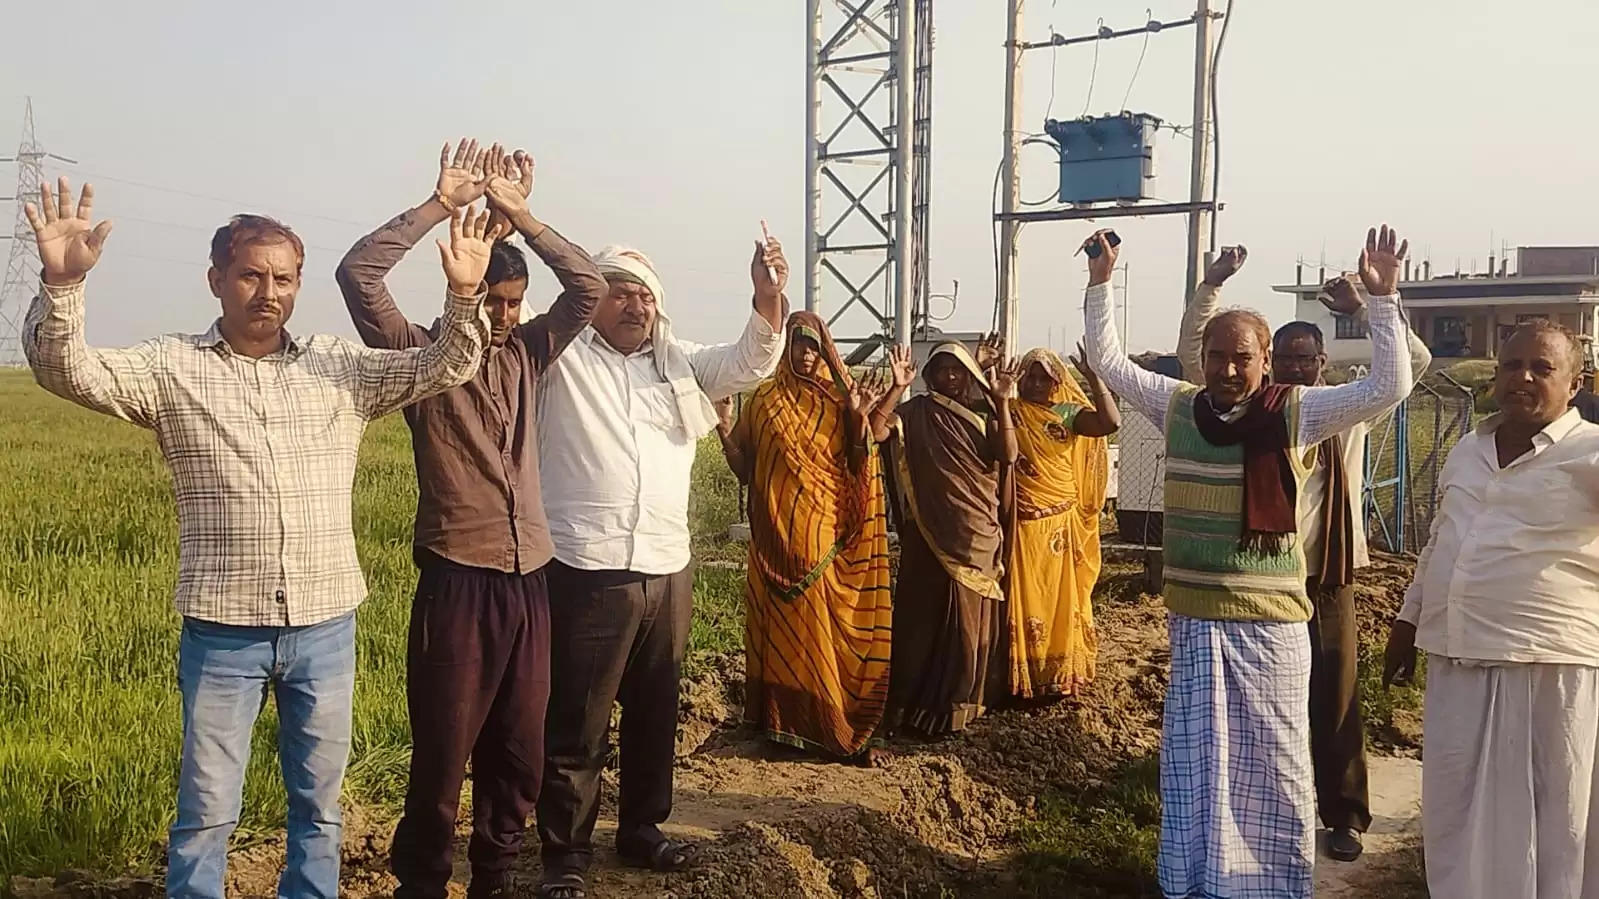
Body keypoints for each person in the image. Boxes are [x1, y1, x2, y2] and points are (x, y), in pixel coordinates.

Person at [21, 178, 494, 899]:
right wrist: (62, 284)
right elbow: (66, 368)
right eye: (250, 274)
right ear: (217, 280)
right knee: (207, 810)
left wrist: (463, 299)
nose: (266, 292)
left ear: (298, 284)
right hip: (223, 628)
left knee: (319, 807)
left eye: (282, 278)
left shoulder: (340, 367)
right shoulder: (170, 368)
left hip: (326, 622)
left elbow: (444, 365)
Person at [1081, 227, 1413, 898]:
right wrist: (1098, 283)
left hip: (1270, 629)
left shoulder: (1297, 410)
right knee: (1195, 765)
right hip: (1195, 624)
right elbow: (1108, 361)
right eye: (1216, 356)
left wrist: (1381, 301)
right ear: (1198, 358)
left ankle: (1269, 883)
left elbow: (1388, 385)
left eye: (1242, 357)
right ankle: (1195, 880)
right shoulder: (1174, 404)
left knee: (1272, 766)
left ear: (1265, 361)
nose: (1228, 369)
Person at [336, 140, 607, 899]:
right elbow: (357, 275)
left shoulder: (527, 353)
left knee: (519, 755)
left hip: (529, 584)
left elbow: (586, 288)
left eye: (513, 304)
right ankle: (421, 883)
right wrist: (439, 207)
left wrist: (523, 215)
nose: (504, 318)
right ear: (462, 290)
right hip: (458, 582)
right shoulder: (418, 357)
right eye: (492, 303)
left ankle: (494, 878)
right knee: (442, 757)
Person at [533, 236, 788, 899]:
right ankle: (564, 850)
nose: (635, 303)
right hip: (587, 566)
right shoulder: (560, 359)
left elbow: (749, 362)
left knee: (654, 712)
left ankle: (641, 828)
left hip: (667, 567)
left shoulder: (676, 362)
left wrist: (765, 299)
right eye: (618, 290)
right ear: (589, 299)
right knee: (578, 720)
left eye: (645, 293)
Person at [1176, 250, 1432, 863]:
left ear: (1323, 363)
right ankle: (1252, 813)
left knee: (1335, 694)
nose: (1294, 368)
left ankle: (1342, 815)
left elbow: (1413, 364)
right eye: (1284, 359)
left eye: (1305, 359)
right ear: (1268, 364)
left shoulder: (1342, 409)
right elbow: (1195, 353)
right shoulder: (1250, 415)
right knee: (1266, 707)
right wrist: (1210, 287)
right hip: (1261, 582)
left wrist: (1370, 305)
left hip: (1327, 575)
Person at [1384, 319, 1599, 899]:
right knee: (1458, 811)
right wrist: (1406, 622)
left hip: (1553, 664)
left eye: (1542, 368)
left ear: (1574, 384)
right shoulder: (1470, 448)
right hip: (1457, 658)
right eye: (1511, 365)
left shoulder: (1591, 453)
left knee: (1558, 819)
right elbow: (1439, 542)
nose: (1521, 378)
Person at [711, 315, 913, 763]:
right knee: (779, 630)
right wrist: (725, 426)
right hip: (770, 535)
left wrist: (872, 408)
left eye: (813, 347)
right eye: (798, 345)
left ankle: (826, 720)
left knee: (818, 628)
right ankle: (780, 722)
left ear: (824, 350)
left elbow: (862, 456)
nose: (805, 354)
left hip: (820, 536)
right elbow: (745, 468)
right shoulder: (764, 400)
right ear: (784, 347)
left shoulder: (839, 398)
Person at [883, 343, 1020, 736]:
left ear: (968, 376)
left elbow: (1007, 455)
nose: (949, 378)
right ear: (929, 376)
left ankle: (964, 704)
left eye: (957, 371)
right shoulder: (916, 412)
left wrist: (1003, 402)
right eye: (940, 371)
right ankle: (915, 706)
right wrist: (896, 388)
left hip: (976, 533)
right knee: (921, 622)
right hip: (928, 534)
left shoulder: (984, 413)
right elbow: (877, 431)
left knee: (968, 623)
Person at [1004, 345, 1119, 700]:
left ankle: (1062, 675)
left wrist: (1094, 377)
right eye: (1029, 377)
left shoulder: (1068, 414)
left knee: (1063, 600)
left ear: (1056, 382)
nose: (1036, 384)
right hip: (1022, 525)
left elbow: (1110, 423)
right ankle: (1025, 677)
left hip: (1061, 528)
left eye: (1044, 378)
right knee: (1024, 599)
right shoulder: (1009, 412)